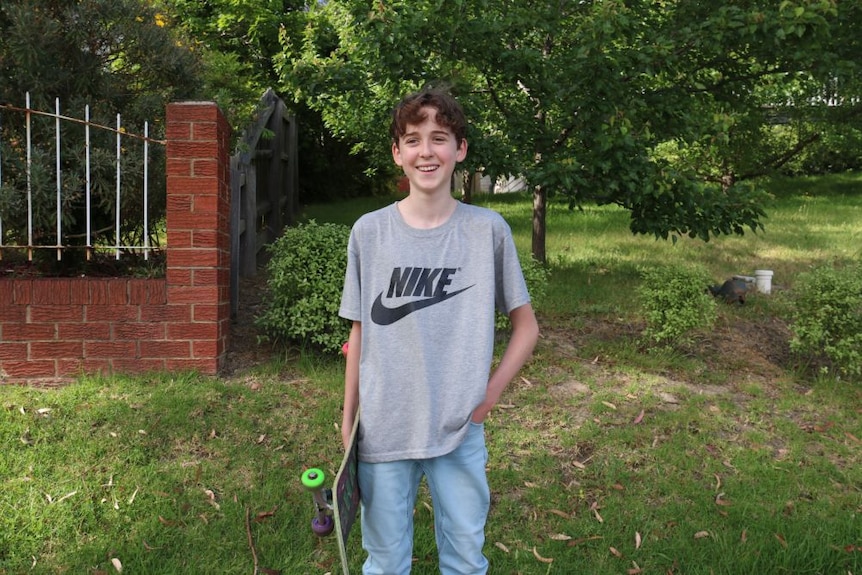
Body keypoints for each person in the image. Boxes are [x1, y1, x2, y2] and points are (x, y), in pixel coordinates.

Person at [338, 87, 540, 575]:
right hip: (384, 428)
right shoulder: (369, 232)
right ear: (397, 153)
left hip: (459, 428)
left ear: (461, 149)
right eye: (413, 140)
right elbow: (359, 334)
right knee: (384, 561)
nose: (426, 151)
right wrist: (348, 422)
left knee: (466, 558)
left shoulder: (487, 231)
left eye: (439, 138)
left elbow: (527, 327)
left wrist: (486, 399)